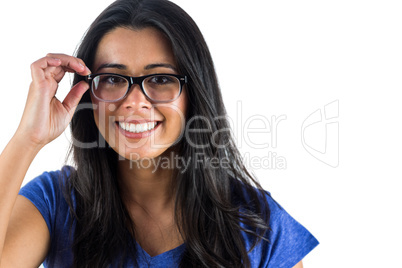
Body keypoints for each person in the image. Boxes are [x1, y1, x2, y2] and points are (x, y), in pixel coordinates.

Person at [0, 0, 318, 267]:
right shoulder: (55, 203)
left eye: (161, 80)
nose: (134, 102)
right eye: (112, 79)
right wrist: (27, 139)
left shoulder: (258, 224)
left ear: (194, 95)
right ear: (88, 94)